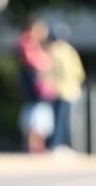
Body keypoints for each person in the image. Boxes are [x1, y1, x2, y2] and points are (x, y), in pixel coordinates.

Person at [16, 17, 57, 153]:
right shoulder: (27, 42)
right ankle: (34, 147)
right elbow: (35, 62)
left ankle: (39, 146)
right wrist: (45, 64)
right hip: (35, 87)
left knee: (41, 117)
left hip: (40, 88)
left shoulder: (37, 44)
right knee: (35, 117)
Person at [47, 23, 85, 150]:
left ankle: (57, 144)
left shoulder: (54, 50)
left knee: (60, 119)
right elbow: (78, 72)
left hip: (60, 90)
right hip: (67, 90)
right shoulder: (68, 50)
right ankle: (58, 144)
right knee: (62, 119)